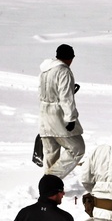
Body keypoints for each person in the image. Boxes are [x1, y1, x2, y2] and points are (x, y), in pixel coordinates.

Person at [38, 44, 84, 179]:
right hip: (58, 116)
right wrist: (70, 118)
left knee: (51, 153)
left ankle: (48, 188)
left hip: (44, 116)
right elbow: (66, 97)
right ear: (70, 58)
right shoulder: (64, 71)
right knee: (77, 148)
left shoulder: (44, 71)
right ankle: (51, 180)